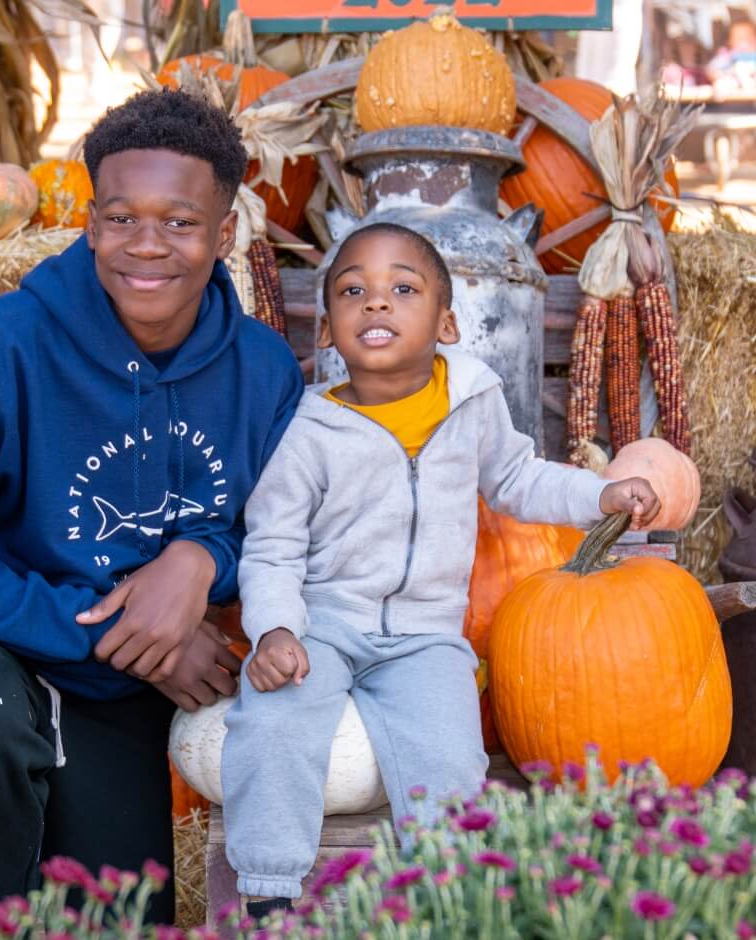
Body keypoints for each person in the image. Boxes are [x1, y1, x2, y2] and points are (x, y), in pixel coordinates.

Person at [0, 88, 304, 919]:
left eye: (178, 222)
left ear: (225, 233)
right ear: (90, 222)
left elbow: (279, 525)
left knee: (114, 917)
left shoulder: (264, 372)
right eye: (120, 217)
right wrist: (119, 633)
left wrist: (202, 556)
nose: (146, 245)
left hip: (120, 683)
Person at [221, 222, 661, 917]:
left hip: (427, 634)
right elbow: (272, 546)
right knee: (272, 719)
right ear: (329, 332)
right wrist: (275, 629)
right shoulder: (307, 433)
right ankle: (268, 891)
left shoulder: (473, 400)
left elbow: (518, 478)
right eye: (352, 291)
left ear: (447, 322)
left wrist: (597, 495)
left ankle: (451, 897)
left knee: (451, 758)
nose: (376, 303)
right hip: (324, 624)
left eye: (403, 288)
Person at [707, 19, 756, 91]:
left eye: (747, 38)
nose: (743, 43)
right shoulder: (727, 55)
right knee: (723, 83)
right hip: (733, 82)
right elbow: (712, 69)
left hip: (752, 81)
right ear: (730, 41)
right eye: (739, 38)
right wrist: (719, 75)